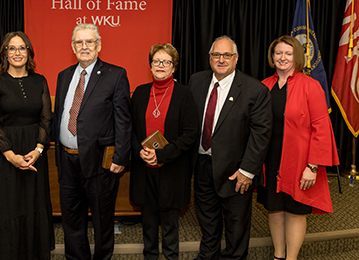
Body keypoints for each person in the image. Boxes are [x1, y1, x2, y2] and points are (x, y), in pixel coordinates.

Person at [188, 36, 272, 260]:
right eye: (216, 55)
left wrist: (247, 171)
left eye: (227, 55)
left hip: (236, 171)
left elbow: (261, 134)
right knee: (207, 218)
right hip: (203, 164)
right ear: (210, 58)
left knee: (236, 225)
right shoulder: (196, 81)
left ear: (236, 58)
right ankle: (208, 255)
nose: (221, 60)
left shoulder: (255, 90)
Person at [257, 35, 340, 260]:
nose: (282, 57)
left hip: (300, 161)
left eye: (288, 53)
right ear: (272, 57)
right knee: (274, 208)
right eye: (278, 53)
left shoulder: (311, 86)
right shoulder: (264, 85)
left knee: (295, 210)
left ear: (297, 57)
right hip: (270, 159)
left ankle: (291, 258)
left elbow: (322, 129)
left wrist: (312, 167)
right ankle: (278, 254)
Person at [53, 23, 132, 260]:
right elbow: (60, 114)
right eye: (79, 42)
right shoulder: (64, 75)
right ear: (72, 46)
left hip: (99, 162)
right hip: (67, 160)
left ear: (99, 45)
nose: (84, 46)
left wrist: (120, 157)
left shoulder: (115, 74)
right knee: (71, 218)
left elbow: (123, 121)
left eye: (90, 42)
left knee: (102, 219)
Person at [0, 32, 54, 259]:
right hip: (3, 153)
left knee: (33, 203)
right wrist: (11, 155)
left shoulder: (40, 80)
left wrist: (39, 150)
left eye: (22, 48)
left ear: (29, 52)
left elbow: (46, 118)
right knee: (7, 206)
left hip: (34, 154)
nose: (17, 53)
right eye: (11, 49)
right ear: (4, 53)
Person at [130, 43, 198, 260]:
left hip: (172, 169)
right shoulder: (140, 93)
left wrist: (160, 155)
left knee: (169, 222)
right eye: (156, 61)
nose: (160, 65)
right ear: (150, 65)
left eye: (166, 62)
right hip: (144, 169)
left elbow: (189, 134)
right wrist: (139, 151)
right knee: (148, 221)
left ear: (174, 67)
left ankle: (171, 256)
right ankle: (149, 256)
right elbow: (128, 129)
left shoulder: (184, 94)